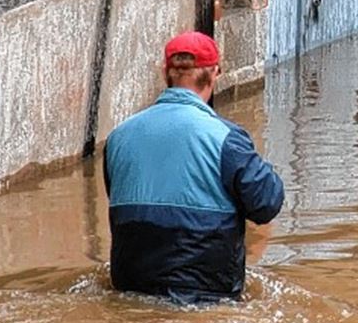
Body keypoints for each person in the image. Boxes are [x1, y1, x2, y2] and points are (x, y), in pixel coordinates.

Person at [103, 31, 284, 304]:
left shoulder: (118, 137)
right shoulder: (228, 139)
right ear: (214, 74)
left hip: (131, 282)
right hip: (207, 292)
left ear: (166, 72)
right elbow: (265, 205)